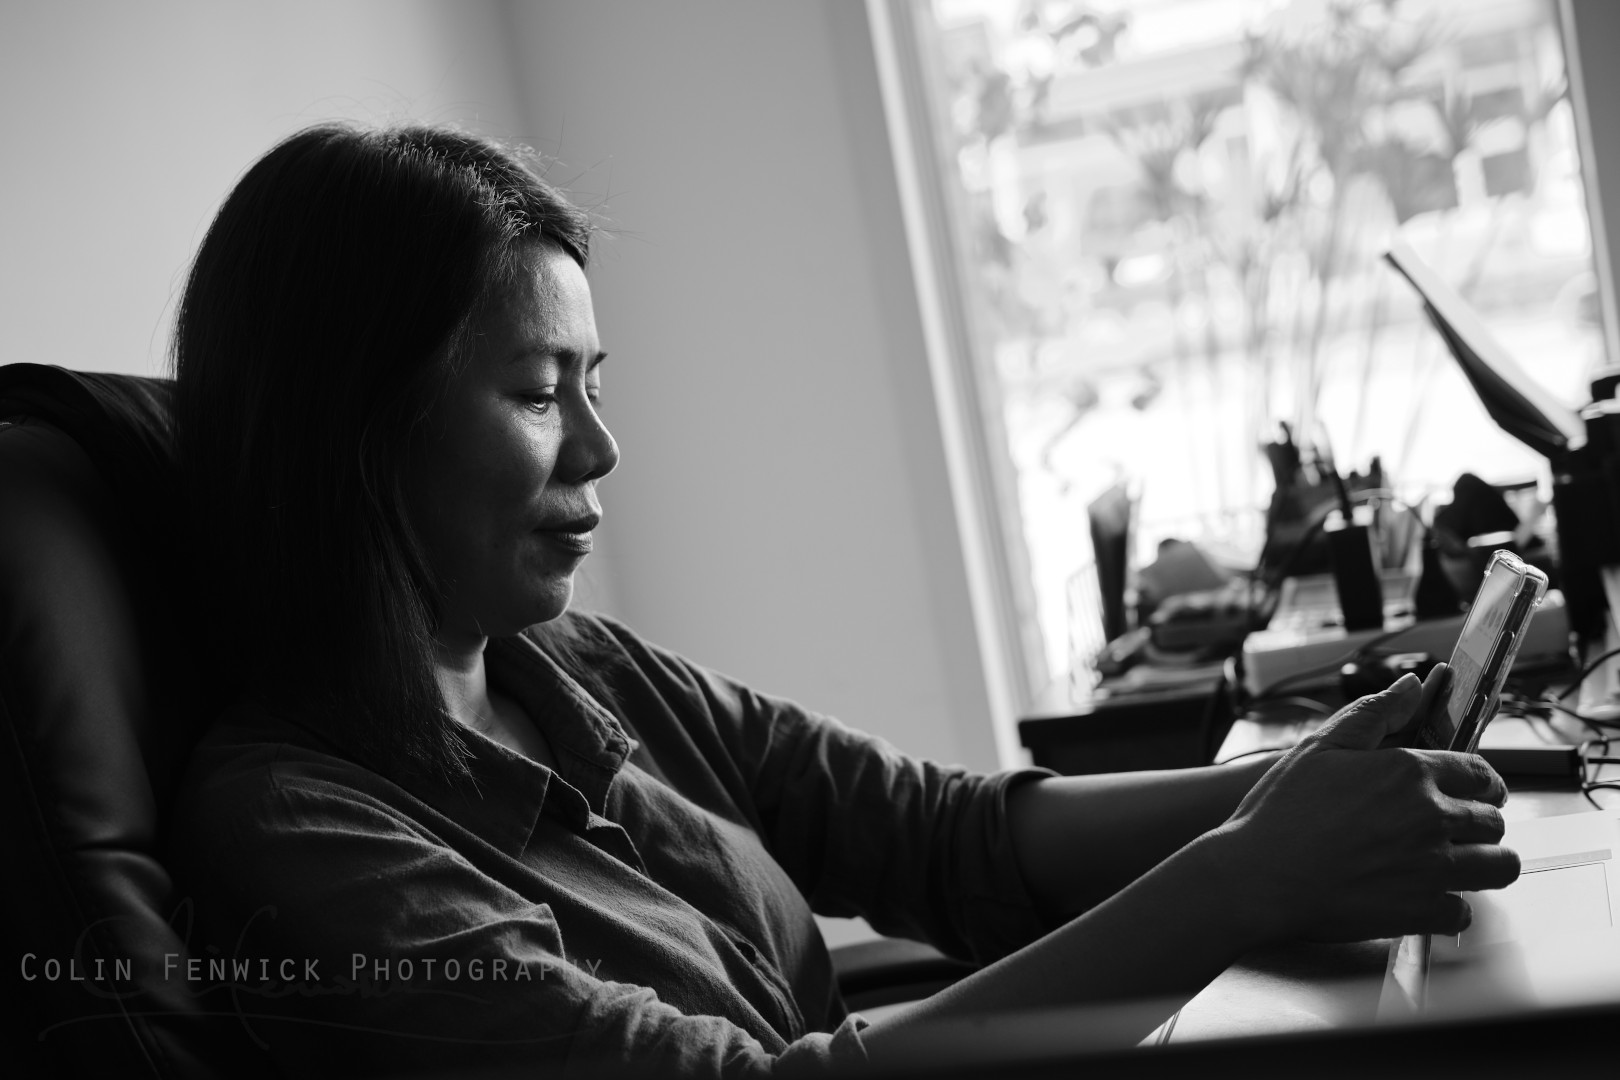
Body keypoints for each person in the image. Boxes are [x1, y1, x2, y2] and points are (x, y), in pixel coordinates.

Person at [168, 122, 1520, 1078]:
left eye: (597, 382)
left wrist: (1292, 788)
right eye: (535, 392)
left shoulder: (570, 669)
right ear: (354, 432)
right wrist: (1241, 882)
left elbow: (943, 840)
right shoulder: (299, 832)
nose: (600, 447)